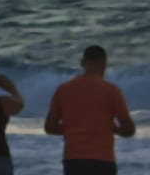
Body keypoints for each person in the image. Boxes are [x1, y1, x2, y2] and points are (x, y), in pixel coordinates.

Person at [44, 45, 136, 175]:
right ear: (104, 64)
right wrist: (114, 129)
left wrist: (72, 129)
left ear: (82, 63)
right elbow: (129, 129)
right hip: (103, 161)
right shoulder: (111, 91)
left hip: (74, 161)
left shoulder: (63, 90)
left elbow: (49, 127)